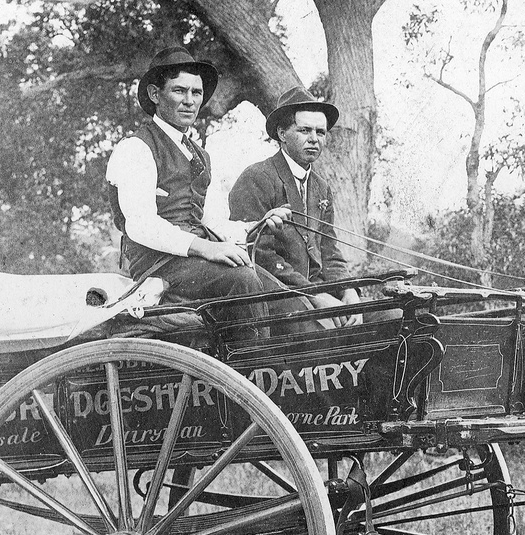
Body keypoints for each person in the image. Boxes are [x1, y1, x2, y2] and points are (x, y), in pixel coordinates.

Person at [104, 46, 294, 333]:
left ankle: (284, 370)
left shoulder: (199, 155)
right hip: (160, 266)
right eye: (179, 91)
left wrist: (259, 224)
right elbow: (140, 225)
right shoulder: (136, 148)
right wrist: (206, 248)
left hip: (194, 261)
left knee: (281, 294)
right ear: (156, 95)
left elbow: (209, 222)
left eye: (197, 93)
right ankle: (250, 370)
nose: (190, 101)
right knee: (242, 280)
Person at [229, 86, 360, 319]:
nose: (313, 139)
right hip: (278, 298)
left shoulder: (321, 187)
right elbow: (259, 254)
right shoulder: (256, 178)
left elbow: (329, 250)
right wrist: (314, 296)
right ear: (282, 133)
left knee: (390, 317)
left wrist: (349, 290)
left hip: (320, 294)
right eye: (304, 130)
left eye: (320, 132)